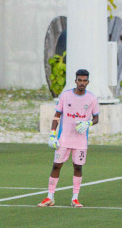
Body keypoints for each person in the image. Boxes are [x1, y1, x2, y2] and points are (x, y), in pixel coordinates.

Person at [39, 68, 100, 208]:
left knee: (78, 167)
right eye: (80, 80)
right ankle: (50, 197)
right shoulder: (65, 96)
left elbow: (96, 118)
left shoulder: (92, 99)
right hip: (64, 139)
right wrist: (52, 134)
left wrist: (88, 122)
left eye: (85, 81)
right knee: (56, 165)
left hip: (80, 141)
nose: (82, 83)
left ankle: (75, 199)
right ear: (75, 81)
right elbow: (57, 115)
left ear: (88, 82)